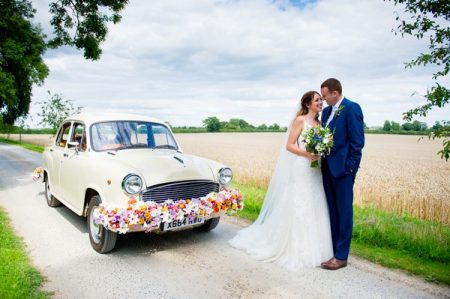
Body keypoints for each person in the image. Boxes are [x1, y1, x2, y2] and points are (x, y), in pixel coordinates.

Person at [229, 91, 333, 270]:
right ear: (308, 104)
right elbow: (290, 145)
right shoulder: (300, 121)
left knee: (314, 202)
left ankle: (316, 246)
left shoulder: (320, 123)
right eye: (317, 100)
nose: (321, 103)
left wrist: (320, 151)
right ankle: (294, 246)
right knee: (299, 201)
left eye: (321, 100)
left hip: (315, 170)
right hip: (302, 167)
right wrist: (307, 154)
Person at [320, 78, 365, 270]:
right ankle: (333, 250)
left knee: (344, 213)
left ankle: (341, 257)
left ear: (335, 93)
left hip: (343, 171)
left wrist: (350, 169)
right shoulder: (327, 112)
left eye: (324, 96)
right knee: (332, 211)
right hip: (327, 170)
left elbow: (357, 143)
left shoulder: (351, 108)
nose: (323, 100)